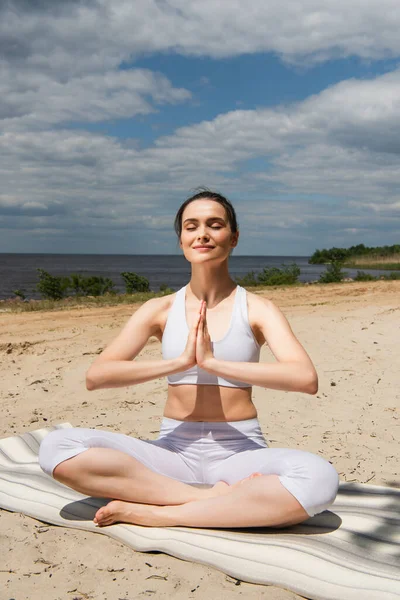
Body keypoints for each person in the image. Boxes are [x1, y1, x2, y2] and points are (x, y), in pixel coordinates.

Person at [39, 190, 339, 529]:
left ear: (234, 237)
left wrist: (213, 363)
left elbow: (305, 378)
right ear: (181, 240)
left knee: (319, 479)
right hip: (172, 452)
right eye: (191, 226)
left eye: (215, 225)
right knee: (56, 447)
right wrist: (179, 363)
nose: (203, 234)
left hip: (239, 452)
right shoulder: (159, 309)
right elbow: (98, 376)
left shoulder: (257, 308)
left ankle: (158, 513)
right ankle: (205, 500)